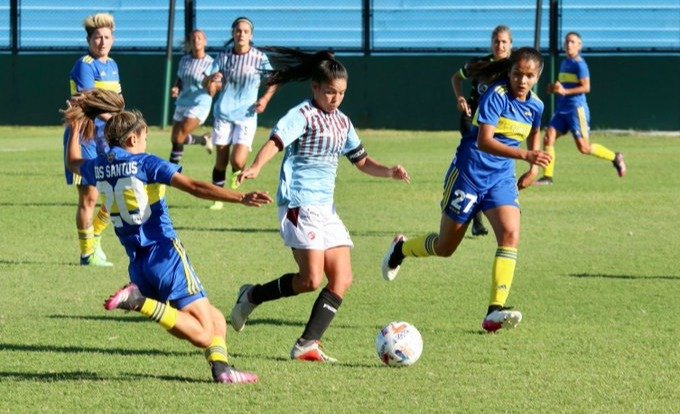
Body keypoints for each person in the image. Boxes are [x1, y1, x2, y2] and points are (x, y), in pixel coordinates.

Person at [62, 89, 273, 384]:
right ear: (132, 139)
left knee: (213, 317)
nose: (147, 142)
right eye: (145, 137)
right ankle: (138, 300)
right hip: (165, 255)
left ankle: (222, 370)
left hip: (138, 262)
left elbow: (73, 161)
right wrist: (240, 198)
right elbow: (195, 186)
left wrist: (74, 127)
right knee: (203, 333)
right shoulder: (146, 163)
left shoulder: (100, 165)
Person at [228, 49, 410, 362]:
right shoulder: (303, 114)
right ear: (315, 88)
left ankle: (307, 344)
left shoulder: (343, 122)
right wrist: (256, 166)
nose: (335, 98)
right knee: (310, 280)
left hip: (326, 209)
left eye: (341, 93)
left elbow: (361, 160)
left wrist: (388, 171)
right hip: (299, 203)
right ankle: (252, 295)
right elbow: (276, 141)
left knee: (342, 279)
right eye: (329, 91)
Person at [382, 47, 551, 333]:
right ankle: (401, 249)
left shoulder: (536, 105)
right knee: (445, 247)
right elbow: (484, 141)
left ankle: (494, 311)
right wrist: (526, 157)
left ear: (538, 76)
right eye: (517, 74)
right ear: (509, 72)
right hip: (469, 174)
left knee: (510, 234)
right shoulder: (495, 97)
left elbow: (535, 131)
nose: (522, 80)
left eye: (529, 76)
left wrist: (533, 168)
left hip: (501, 179)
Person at [202, 17, 280, 210]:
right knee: (221, 159)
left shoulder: (259, 58)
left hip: (246, 115)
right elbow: (207, 84)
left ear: (251, 35)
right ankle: (217, 198)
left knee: (237, 160)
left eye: (245, 31)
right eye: (238, 31)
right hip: (223, 114)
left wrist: (265, 99)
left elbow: (275, 80)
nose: (241, 34)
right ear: (233, 34)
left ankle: (238, 174)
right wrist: (212, 80)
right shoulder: (223, 56)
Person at [62, 13, 121, 267]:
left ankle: (95, 236)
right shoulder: (84, 65)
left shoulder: (113, 65)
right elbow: (90, 101)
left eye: (107, 37)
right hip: (84, 137)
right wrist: (116, 120)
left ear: (113, 39)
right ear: (89, 40)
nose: (102, 41)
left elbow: (118, 100)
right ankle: (87, 254)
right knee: (89, 196)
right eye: (97, 37)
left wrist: (122, 121)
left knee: (119, 192)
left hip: (107, 139)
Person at [535, 32, 626, 185]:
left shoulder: (580, 64)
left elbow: (586, 87)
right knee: (548, 137)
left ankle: (615, 157)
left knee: (584, 148)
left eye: (572, 42)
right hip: (562, 109)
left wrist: (565, 91)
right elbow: (563, 86)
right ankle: (547, 177)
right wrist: (554, 88)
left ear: (579, 46)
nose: (569, 44)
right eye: (567, 42)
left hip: (576, 110)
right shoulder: (565, 63)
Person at [451, 25, 513, 237]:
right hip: (473, 121)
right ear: (491, 43)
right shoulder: (480, 64)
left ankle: (487, 208)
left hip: (498, 126)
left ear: (511, 44)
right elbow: (456, 78)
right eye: (497, 41)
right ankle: (476, 220)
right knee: (477, 162)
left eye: (504, 42)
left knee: (487, 167)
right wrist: (460, 97)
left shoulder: (515, 67)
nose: (500, 45)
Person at [168, 29, 215, 164]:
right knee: (175, 138)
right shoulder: (184, 60)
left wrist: (212, 86)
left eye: (199, 38)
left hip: (199, 103)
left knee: (179, 136)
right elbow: (180, 79)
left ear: (205, 41)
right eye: (193, 38)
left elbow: (214, 85)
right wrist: (177, 87)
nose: (196, 41)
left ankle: (171, 172)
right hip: (182, 101)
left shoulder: (211, 63)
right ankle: (203, 140)